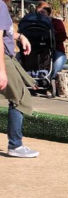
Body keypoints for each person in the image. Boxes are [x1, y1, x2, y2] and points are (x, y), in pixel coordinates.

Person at [0, 0, 39, 158]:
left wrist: (20, 36)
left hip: (7, 57)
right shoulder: (0, 5)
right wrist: (1, 70)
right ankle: (15, 145)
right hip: (3, 58)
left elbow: (6, 32)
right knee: (20, 98)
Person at [36, 1, 67, 93]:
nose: (41, 14)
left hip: (56, 50)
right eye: (39, 12)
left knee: (59, 60)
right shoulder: (33, 24)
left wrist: (51, 34)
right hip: (39, 51)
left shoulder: (57, 22)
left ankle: (50, 82)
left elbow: (63, 36)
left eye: (44, 11)